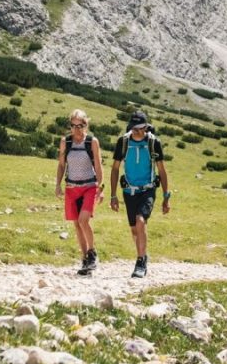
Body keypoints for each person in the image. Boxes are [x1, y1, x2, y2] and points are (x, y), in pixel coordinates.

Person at [110, 110, 169, 279]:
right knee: (135, 230)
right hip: (129, 191)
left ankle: (140, 261)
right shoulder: (123, 142)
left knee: (141, 221)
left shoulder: (153, 143)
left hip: (148, 189)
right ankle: (143, 253)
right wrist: (113, 195)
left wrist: (166, 197)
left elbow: (162, 170)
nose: (137, 132)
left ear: (146, 127)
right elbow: (114, 169)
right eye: (134, 128)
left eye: (140, 128)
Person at [54, 108, 104, 276]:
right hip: (71, 188)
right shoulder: (65, 142)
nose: (76, 129)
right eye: (73, 125)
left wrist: (100, 187)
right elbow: (62, 165)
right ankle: (85, 259)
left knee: (83, 221)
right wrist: (58, 184)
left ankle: (92, 253)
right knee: (76, 224)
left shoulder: (92, 142)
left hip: (89, 186)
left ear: (86, 126)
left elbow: (98, 165)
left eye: (80, 125)